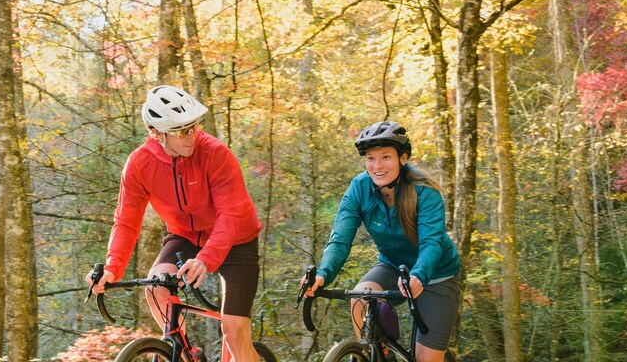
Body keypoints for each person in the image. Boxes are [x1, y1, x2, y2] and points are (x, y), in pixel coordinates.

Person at [91, 85, 264, 361]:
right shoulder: (139, 164)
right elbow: (126, 221)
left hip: (236, 240)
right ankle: (184, 355)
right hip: (185, 236)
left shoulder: (215, 153)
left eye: (193, 127)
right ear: (155, 133)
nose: (191, 136)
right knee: (155, 288)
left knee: (234, 335)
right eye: (182, 131)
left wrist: (205, 259)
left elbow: (230, 214)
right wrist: (112, 268)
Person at [302, 121, 463, 362]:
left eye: (386, 157)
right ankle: (380, 355)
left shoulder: (423, 190)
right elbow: (340, 239)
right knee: (359, 298)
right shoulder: (360, 187)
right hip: (392, 265)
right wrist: (323, 274)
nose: (377, 166)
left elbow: (432, 242)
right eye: (370, 158)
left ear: (402, 158)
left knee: (426, 358)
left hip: (437, 274)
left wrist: (419, 274)